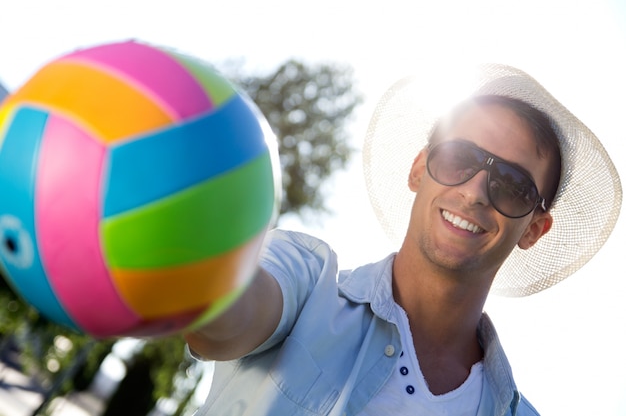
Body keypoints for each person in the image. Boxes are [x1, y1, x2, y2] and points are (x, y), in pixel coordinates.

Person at [184, 64, 622, 416]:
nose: (473, 192)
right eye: (459, 158)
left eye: (511, 184)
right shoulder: (305, 281)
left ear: (533, 229)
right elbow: (223, 319)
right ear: (419, 168)